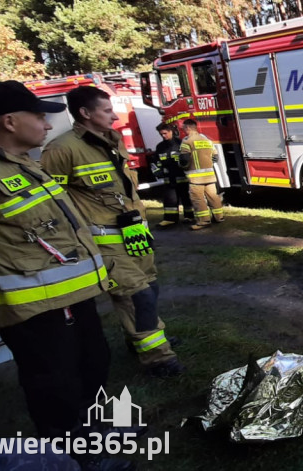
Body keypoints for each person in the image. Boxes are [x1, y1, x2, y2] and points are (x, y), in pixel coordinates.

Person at [0, 81, 111, 440]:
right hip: (35, 311)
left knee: (91, 368)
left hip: (70, 299)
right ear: (9, 122)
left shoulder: (23, 164)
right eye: (39, 117)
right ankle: (73, 455)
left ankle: (93, 434)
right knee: (55, 387)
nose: (48, 125)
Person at [42, 86, 184, 378]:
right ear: (85, 113)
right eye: (107, 111)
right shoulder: (61, 150)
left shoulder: (112, 141)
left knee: (150, 286)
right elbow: (53, 201)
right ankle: (158, 359)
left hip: (134, 231)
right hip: (104, 238)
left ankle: (142, 340)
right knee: (136, 295)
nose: (115, 116)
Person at [178, 119, 223, 230]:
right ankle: (219, 217)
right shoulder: (206, 140)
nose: (183, 130)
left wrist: (183, 167)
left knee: (198, 199)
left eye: (184, 128)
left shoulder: (187, 141)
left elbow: (184, 159)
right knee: (213, 197)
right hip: (210, 175)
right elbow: (215, 157)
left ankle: (203, 221)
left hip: (196, 178)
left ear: (188, 128)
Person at [151, 122, 194, 227]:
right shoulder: (160, 147)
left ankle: (189, 217)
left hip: (182, 178)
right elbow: (155, 161)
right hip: (169, 179)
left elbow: (189, 159)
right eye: (161, 134)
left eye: (165, 133)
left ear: (171, 131)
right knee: (170, 199)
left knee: (186, 198)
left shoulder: (181, 144)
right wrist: (158, 172)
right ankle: (170, 219)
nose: (163, 136)